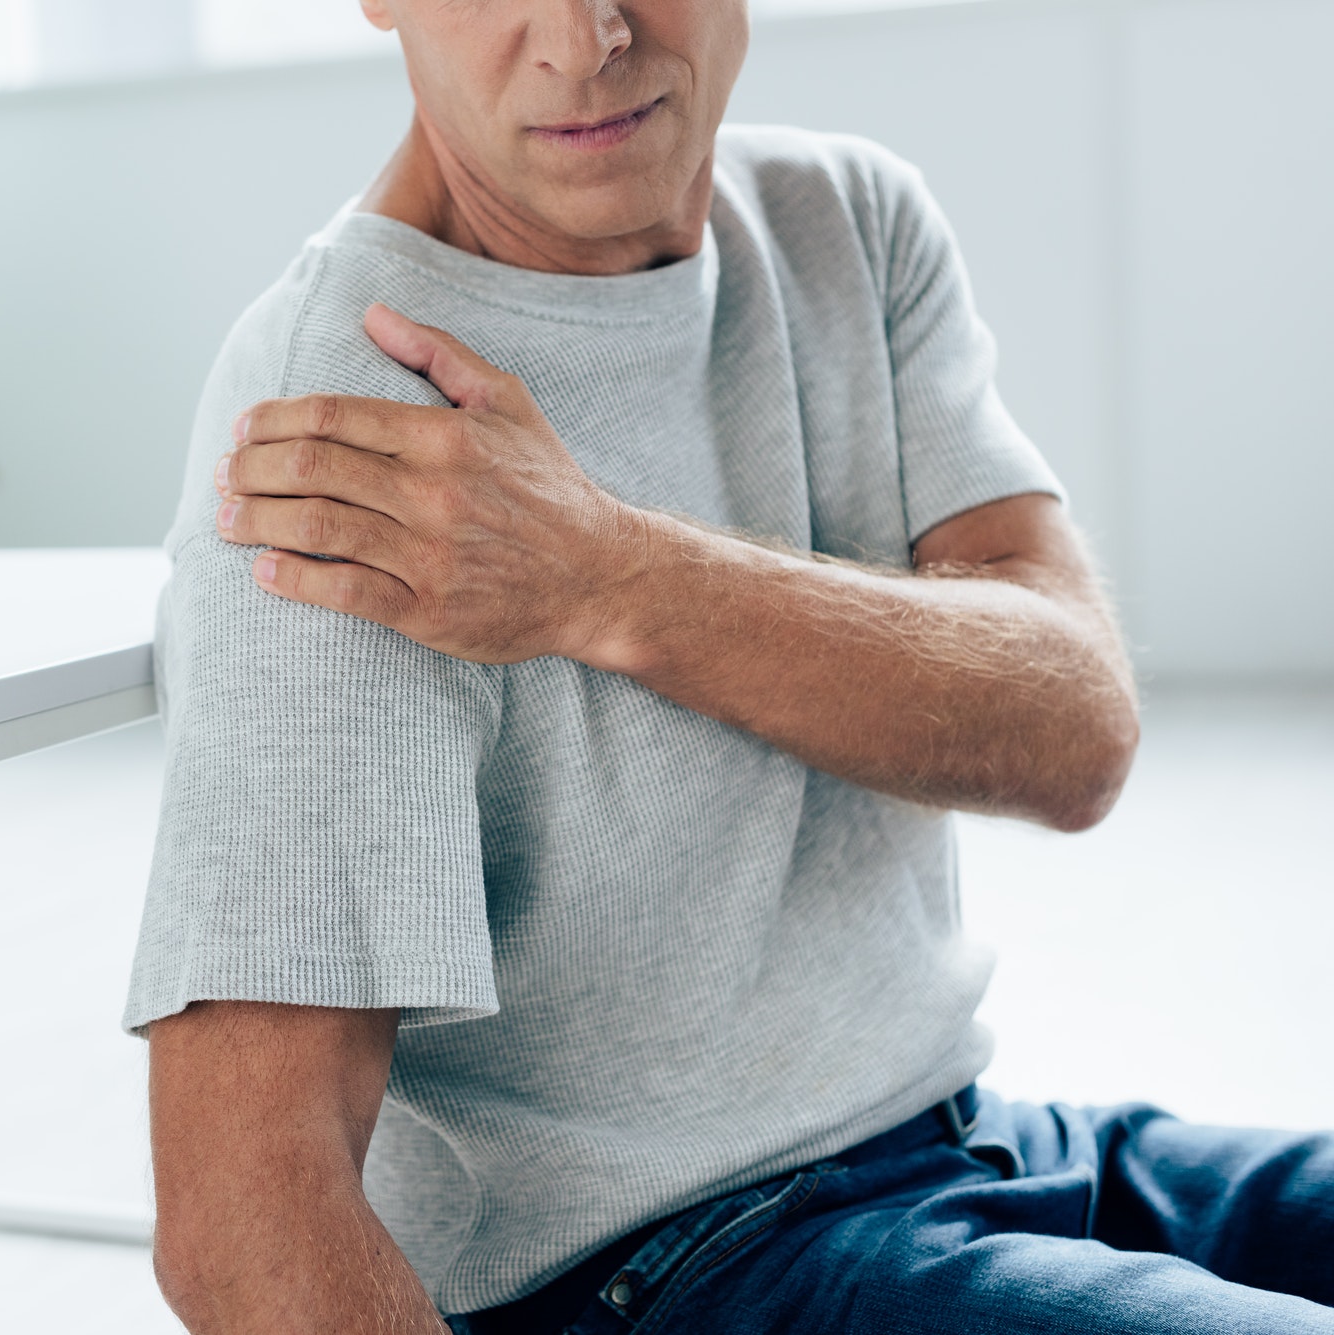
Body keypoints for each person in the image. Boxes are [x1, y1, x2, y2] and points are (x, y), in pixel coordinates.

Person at [122, 2, 1334, 1332]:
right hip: (654, 1272)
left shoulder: (845, 223)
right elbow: (246, 1219)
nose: (588, 37)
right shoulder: (348, 430)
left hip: (972, 1143)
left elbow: (1077, 726)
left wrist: (611, 576)